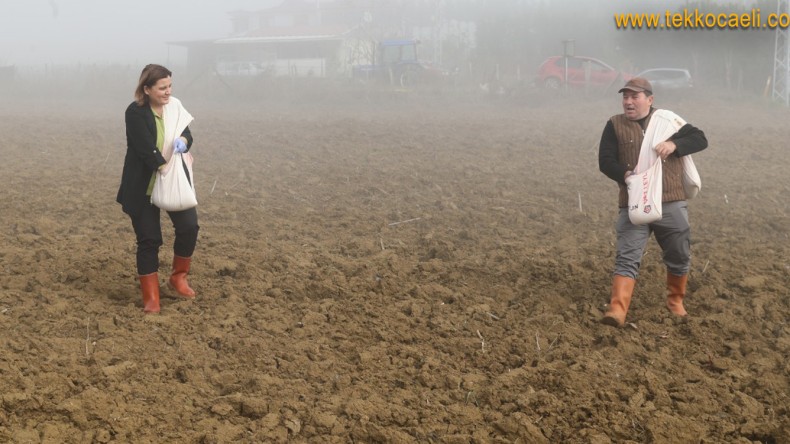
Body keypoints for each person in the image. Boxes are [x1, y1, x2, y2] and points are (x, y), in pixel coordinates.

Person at [598, 77, 708, 327]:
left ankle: (675, 302)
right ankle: (617, 310)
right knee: (627, 255)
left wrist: (674, 144)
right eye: (625, 97)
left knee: (679, 253)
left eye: (634, 97)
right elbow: (605, 160)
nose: (628, 102)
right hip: (633, 202)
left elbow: (700, 139)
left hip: (670, 200)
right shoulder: (614, 125)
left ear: (649, 99)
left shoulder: (668, 121)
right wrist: (625, 176)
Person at [117, 64, 199, 314]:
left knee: (189, 226)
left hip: (174, 179)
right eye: (162, 88)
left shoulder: (175, 106)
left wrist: (183, 143)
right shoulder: (135, 113)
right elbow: (144, 150)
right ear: (147, 89)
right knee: (150, 239)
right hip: (143, 185)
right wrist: (167, 168)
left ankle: (178, 278)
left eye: (170, 86)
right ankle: (151, 297)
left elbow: (187, 132)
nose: (168, 92)